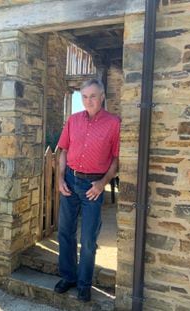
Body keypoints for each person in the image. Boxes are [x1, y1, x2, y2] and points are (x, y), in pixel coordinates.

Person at [54, 79, 120, 302]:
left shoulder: (114, 123)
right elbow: (63, 151)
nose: (88, 101)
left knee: (89, 239)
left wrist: (102, 183)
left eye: (93, 96)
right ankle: (69, 277)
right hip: (70, 182)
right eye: (84, 96)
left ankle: (84, 284)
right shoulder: (73, 120)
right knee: (65, 232)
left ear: (102, 96)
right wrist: (60, 178)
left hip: (93, 186)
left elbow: (116, 159)